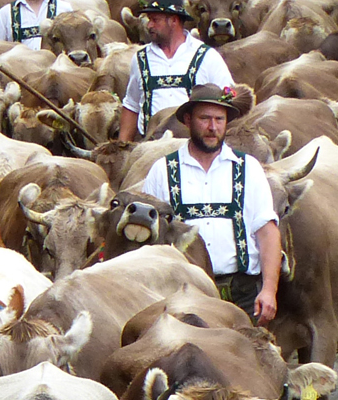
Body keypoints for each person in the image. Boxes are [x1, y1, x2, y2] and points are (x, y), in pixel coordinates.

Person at [140, 84, 280, 325]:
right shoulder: (162, 171)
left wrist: (269, 289)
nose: (213, 127)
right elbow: (147, 240)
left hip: (241, 293)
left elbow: (267, 232)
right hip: (182, 293)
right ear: (187, 120)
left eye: (219, 119)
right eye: (204, 119)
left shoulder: (248, 169)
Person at [119, 0, 233, 141]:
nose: (149, 25)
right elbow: (132, 105)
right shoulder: (140, 59)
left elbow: (228, 101)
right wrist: (122, 146)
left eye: (155, 20)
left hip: (195, 146)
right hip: (150, 148)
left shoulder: (207, 56)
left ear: (173, 20)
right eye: (149, 20)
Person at [0, 0, 74, 50]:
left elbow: (72, 45)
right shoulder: (5, 13)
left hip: (54, 75)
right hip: (18, 73)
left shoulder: (64, 9)